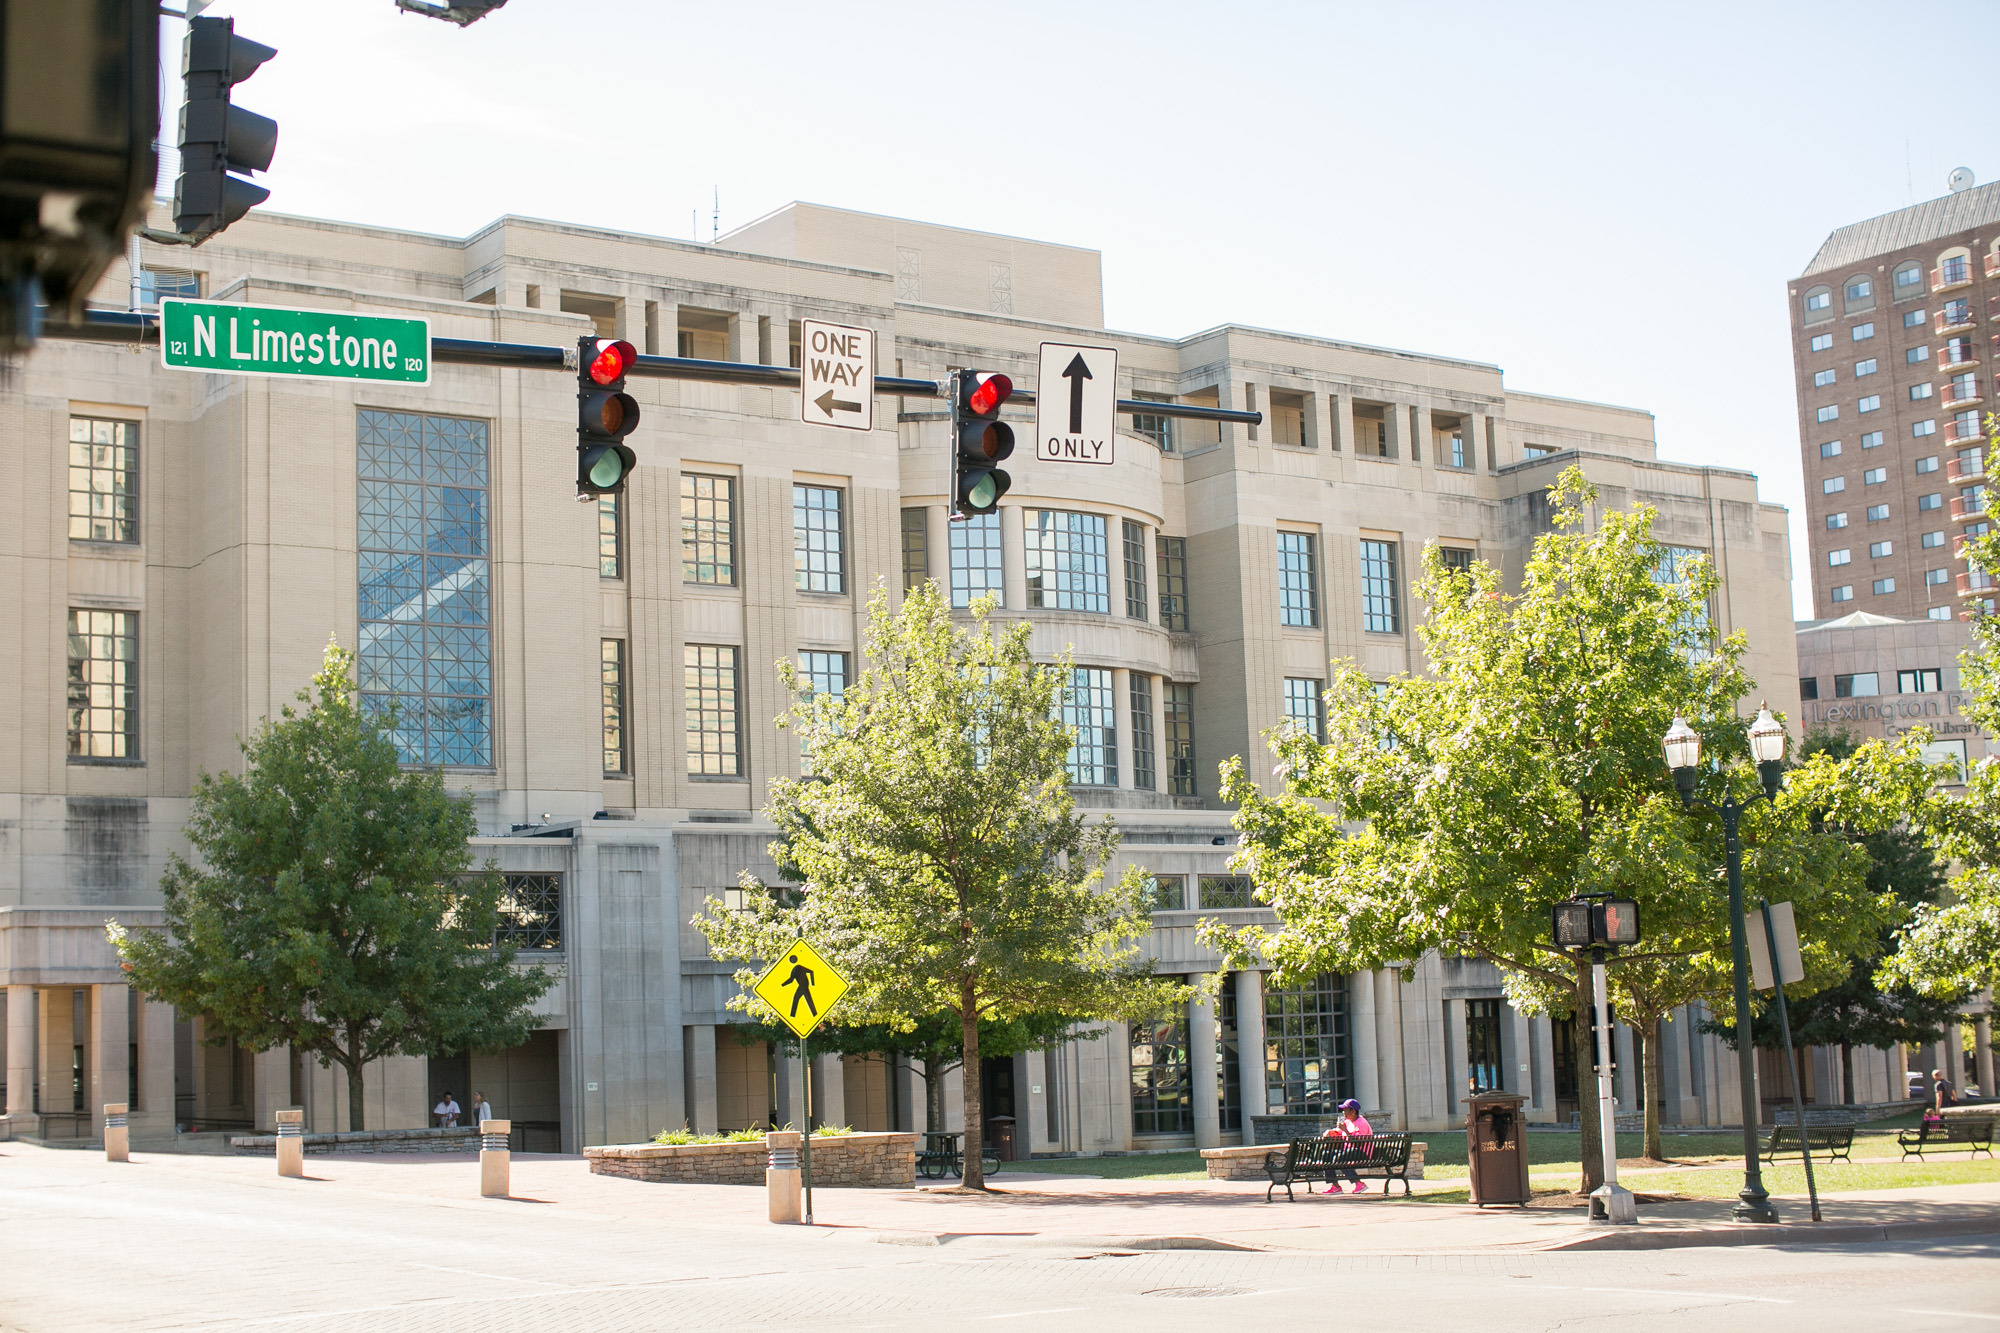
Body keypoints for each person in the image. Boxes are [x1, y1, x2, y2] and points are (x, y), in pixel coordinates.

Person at [1320, 1098, 1374, 1194]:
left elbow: (1358, 1142)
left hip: (1361, 1152)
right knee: (1326, 1154)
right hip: (1349, 1151)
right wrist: (1330, 1132)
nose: (1343, 1112)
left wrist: (1345, 1130)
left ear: (1353, 1111)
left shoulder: (1361, 1123)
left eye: (1345, 1110)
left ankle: (1359, 1183)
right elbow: (1339, 1132)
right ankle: (1335, 1186)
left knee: (1340, 1158)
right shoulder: (1348, 1121)